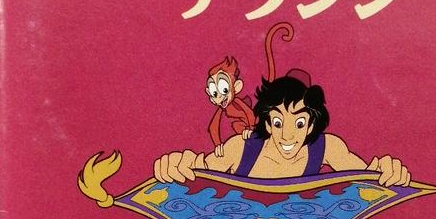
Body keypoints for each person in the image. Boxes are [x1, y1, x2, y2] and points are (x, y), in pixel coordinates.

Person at [153, 72, 411, 187]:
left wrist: (387, 173)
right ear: (267, 123)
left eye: (299, 124)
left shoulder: (327, 147)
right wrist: (178, 166)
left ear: (311, 125)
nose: (287, 136)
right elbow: (199, 173)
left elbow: (368, 177)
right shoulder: (241, 148)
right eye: (278, 123)